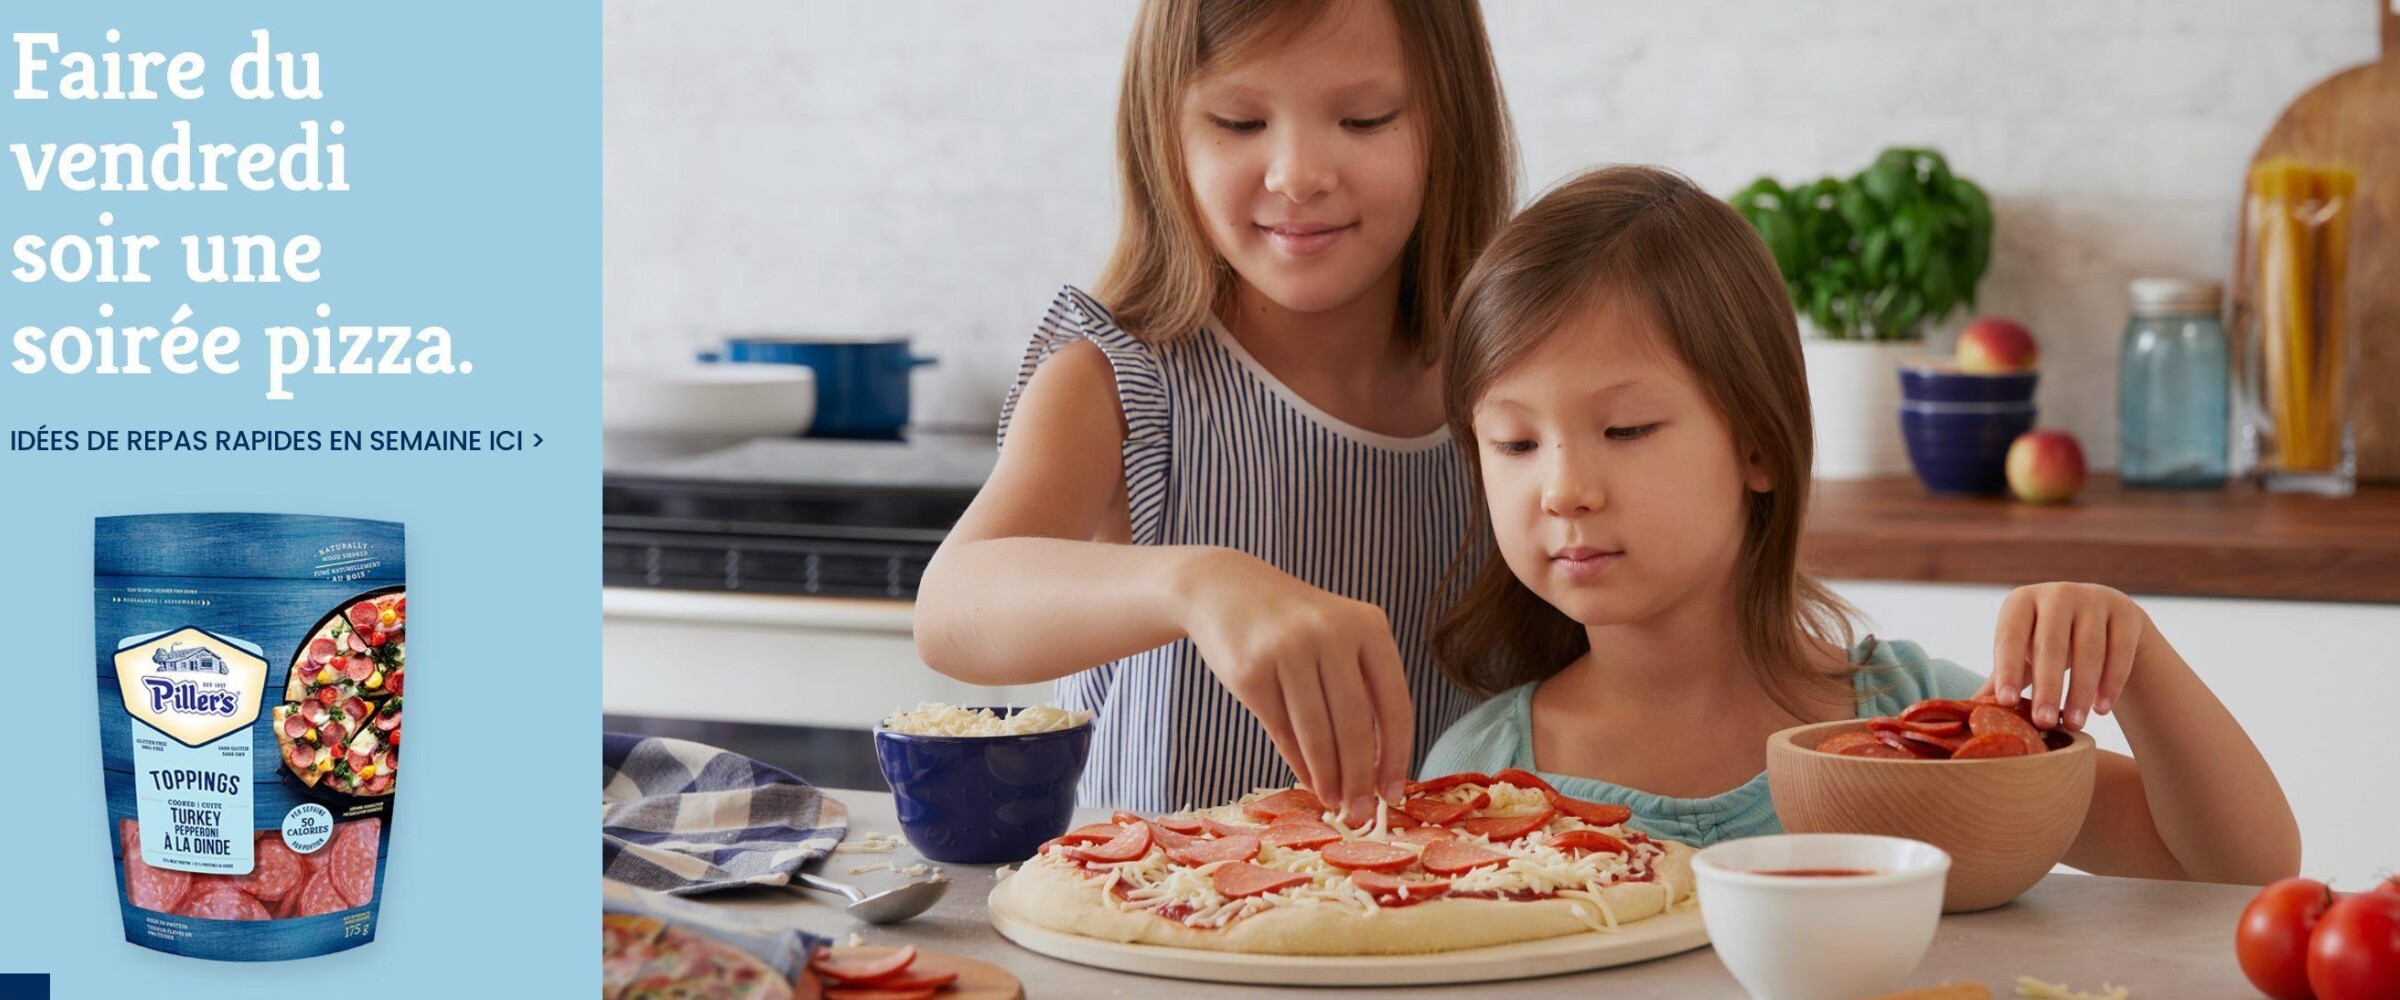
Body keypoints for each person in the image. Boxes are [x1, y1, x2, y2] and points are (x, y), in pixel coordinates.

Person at [1421, 165, 2300, 883]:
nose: (1563, 489)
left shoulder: (1917, 729)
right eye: (1515, 441)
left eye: (1626, 430)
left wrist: (2134, 652)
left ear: (1759, 444)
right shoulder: (1478, 782)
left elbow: (2235, 867)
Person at [914, 0, 1516, 819]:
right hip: (1163, 927)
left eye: (1364, 119)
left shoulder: (1510, 382)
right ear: (1165, 134)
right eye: (1238, 121)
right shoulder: (1121, 378)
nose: (1298, 174)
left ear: (1454, 124)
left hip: (1455, 929)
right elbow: (952, 610)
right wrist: (1197, 584)